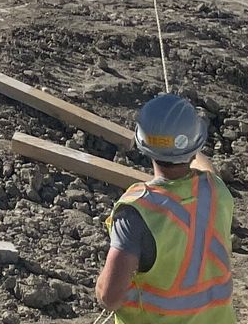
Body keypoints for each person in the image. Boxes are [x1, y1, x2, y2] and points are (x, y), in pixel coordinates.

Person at [95, 93, 236, 322]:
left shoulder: (137, 211)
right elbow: (207, 170)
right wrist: (183, 144)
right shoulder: (216, 190)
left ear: (143, 144)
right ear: (196, 142)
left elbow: (109, 297)